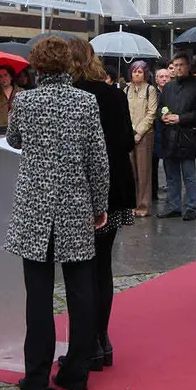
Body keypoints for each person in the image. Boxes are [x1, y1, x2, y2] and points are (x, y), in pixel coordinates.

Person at [5, 37, 109, 390]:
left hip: (35, 206)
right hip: (74, 205)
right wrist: (100, 205)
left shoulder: (25, 100)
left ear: (36, 65)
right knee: (81, 292)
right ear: (68, 65)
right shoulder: (86, 101)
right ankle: (76, 372)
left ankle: (35, 376)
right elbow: (98, 158)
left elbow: (14, 139)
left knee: (38, 295)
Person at [67, 38, 135, 372]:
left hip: (85, 190)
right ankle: (102, 338)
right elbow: (126, 140)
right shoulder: (114, 94)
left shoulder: (72, 98)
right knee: (103, 266)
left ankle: (90, 343)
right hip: (116, 188)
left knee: (83, 269)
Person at [157, 54, 196, 221]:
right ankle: (174, 205)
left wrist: (180, 118)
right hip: (169, 135)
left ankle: (190, 207)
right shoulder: (169, 87)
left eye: (181, 65)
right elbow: (160, 108)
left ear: (188, 66)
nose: (178, 68)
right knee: (171, 174)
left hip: (187, 135)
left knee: (189, 174)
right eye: (175, 65)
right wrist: (162, 116)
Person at [125, 61, 158, 217]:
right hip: (128, 134)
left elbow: (151, 113)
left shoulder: (150, 90)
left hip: (144, 135)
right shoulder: (126, 89)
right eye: (134, 71)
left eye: (139, 72)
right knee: (130, 172)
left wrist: (139, 132)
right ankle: (131, 205)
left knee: (144, 171)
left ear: (145, 73)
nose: (136, 74)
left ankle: (143, 206)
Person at [152, 66, 173, 200]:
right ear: (156, 79)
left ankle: (172, 191)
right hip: (154, 132)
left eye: (166, 76)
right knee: (152, 164)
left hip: (170, 132)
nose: (164, 79)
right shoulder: (152, 92)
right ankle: (153, 193)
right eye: (161, 76)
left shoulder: (173, 92)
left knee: (170, 164)